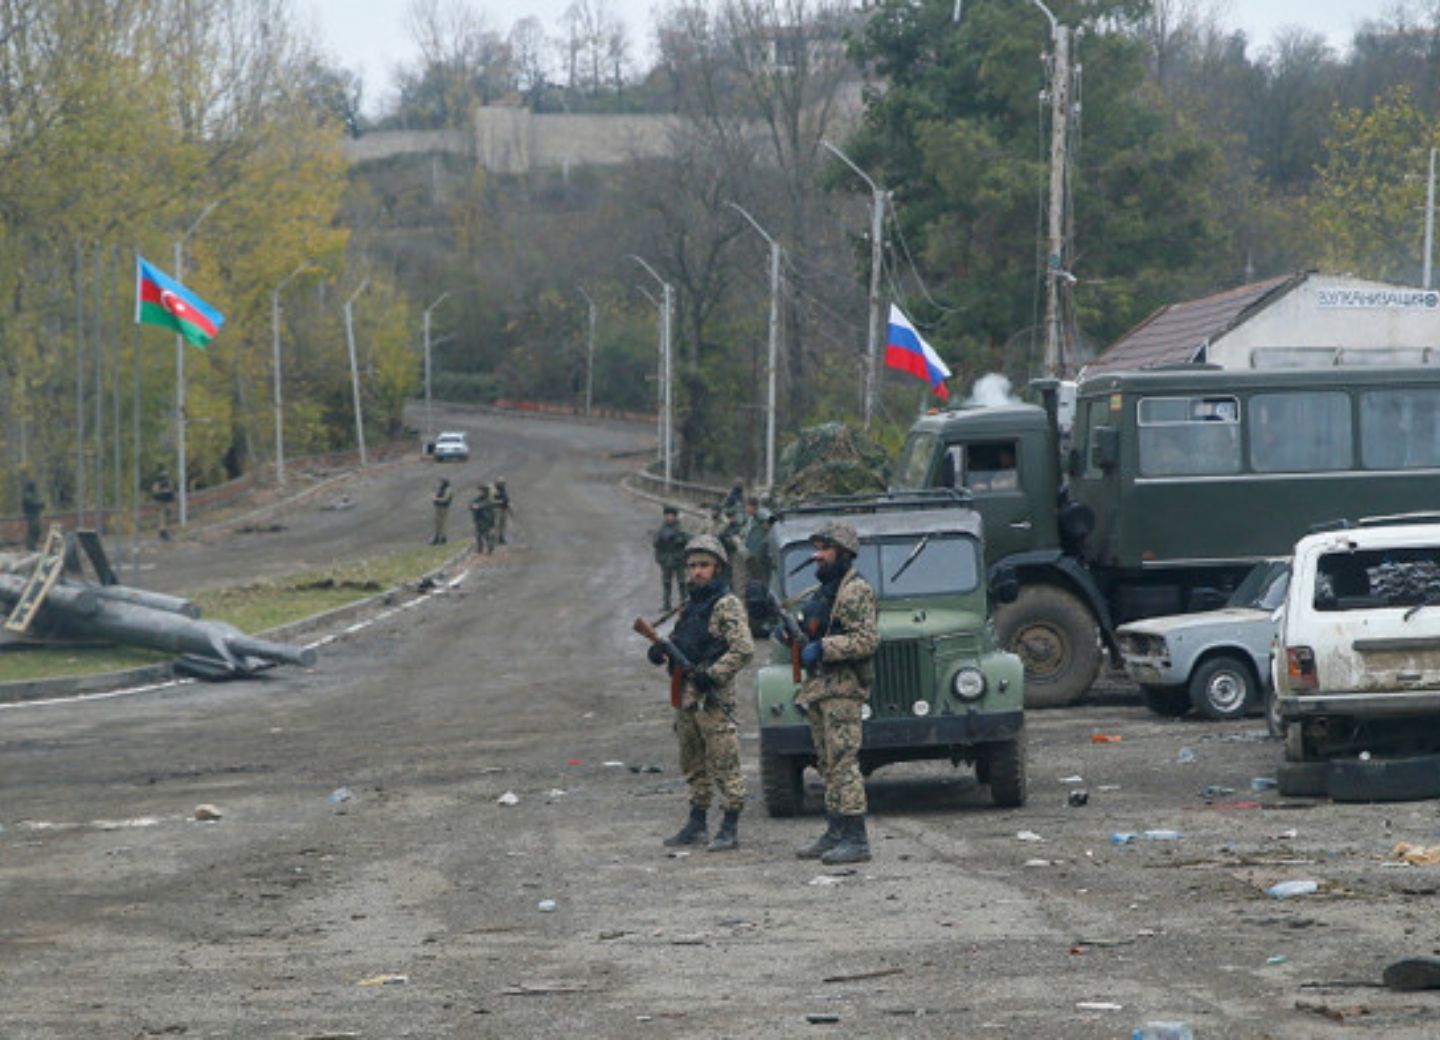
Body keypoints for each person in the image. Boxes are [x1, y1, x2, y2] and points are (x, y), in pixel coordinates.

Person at [646, 534, 754, 852]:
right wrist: (660, 652)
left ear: (718, 569)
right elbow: (680, 643)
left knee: (725, 762)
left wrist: (713, 675)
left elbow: (743, 650)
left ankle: (730, 826)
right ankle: (697, 822)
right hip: (686, 696)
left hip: (713, 698)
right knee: (692, 762)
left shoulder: (726, 604)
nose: (697, 572)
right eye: (692, 565)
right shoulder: (691, 604)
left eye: (704, 565)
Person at [784, 521, 879, 865]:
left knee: (843, 762)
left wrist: (823, 647)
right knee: (827, 764)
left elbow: (866, 639)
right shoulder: (823, 593)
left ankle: (856, 838)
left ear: (843, 553)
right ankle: (835, 831)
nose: (817, 556)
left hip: (843, 688)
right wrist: (793, 638)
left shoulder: (854, 591)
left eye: (824, 549)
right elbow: (814, 631)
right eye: (816, 549)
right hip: (820, 688)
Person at [652, 504, 689, 612]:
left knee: (682, 582)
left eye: (671, 515)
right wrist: (659, 539)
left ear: (675, 516)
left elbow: (688, 540)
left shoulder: (680, 529)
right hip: (666, 559)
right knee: (666, 583)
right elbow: (655, 543)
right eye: (667, 515)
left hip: (679, 559)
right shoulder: (661, 529)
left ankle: (684, 603)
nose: (669, 517)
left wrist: (681, 540)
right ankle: (666, 604)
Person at [739, 495, 774, 588]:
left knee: (761, 575)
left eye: (747, 506)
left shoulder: (761, 513)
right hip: (752, 550)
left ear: (752, 506)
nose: (745, 509)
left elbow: (773, 520)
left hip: (761, 549)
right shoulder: (752, 516)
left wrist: (766, 526)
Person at [468, 483, 496, 554]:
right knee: (478, 535)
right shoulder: (478, 499)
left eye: (481, 491)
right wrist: (473, 506)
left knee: (487, 535)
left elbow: (484, 505)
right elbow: (471, 504)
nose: (480, 492)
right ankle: (480, 548)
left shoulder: (488, 499)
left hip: (486, 519)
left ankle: (490, 547)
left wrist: (477, 506)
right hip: (479, 519)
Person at [150, 467, 176, 541]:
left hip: (167, 502)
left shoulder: (169, 483)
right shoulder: (157, 484)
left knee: (168, 516)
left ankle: (167, 531)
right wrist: (162, 494)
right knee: (161, 517)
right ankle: (163, 533)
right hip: (160, 503)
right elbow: (155, 494)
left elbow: (172, 492)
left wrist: (170, 495)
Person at [21, 478, 44, 551]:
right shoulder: (27, 494)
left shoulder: (34, 493)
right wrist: (39, 504)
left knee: (37, 531)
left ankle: (32, 546)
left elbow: (38, 501)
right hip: (31, 516)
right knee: (33, 531)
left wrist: (41, 503)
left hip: (35, 515)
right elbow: (32, 503)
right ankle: (31, 547)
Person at [430, 478, 453, 545]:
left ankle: (443, 538)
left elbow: (446, 499)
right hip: (438, 507)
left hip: (444, 508)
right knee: (437, 523)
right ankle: (437, 537)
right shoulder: (440, 489)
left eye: (441, 482)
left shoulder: (448, 490)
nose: (440, 484)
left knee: (443, 523)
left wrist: (437, 499)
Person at [492, 477, 511, 545]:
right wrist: (499, 501)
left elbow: (505, 498)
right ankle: (494, 539)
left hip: (504, 508)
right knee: (497, 524)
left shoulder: (503, 489)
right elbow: (491, 500)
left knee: (503, 524)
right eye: (501, 483)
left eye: (503, 483)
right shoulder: (494, 490)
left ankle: (501, 537)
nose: (503, 484)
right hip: (497, 509)